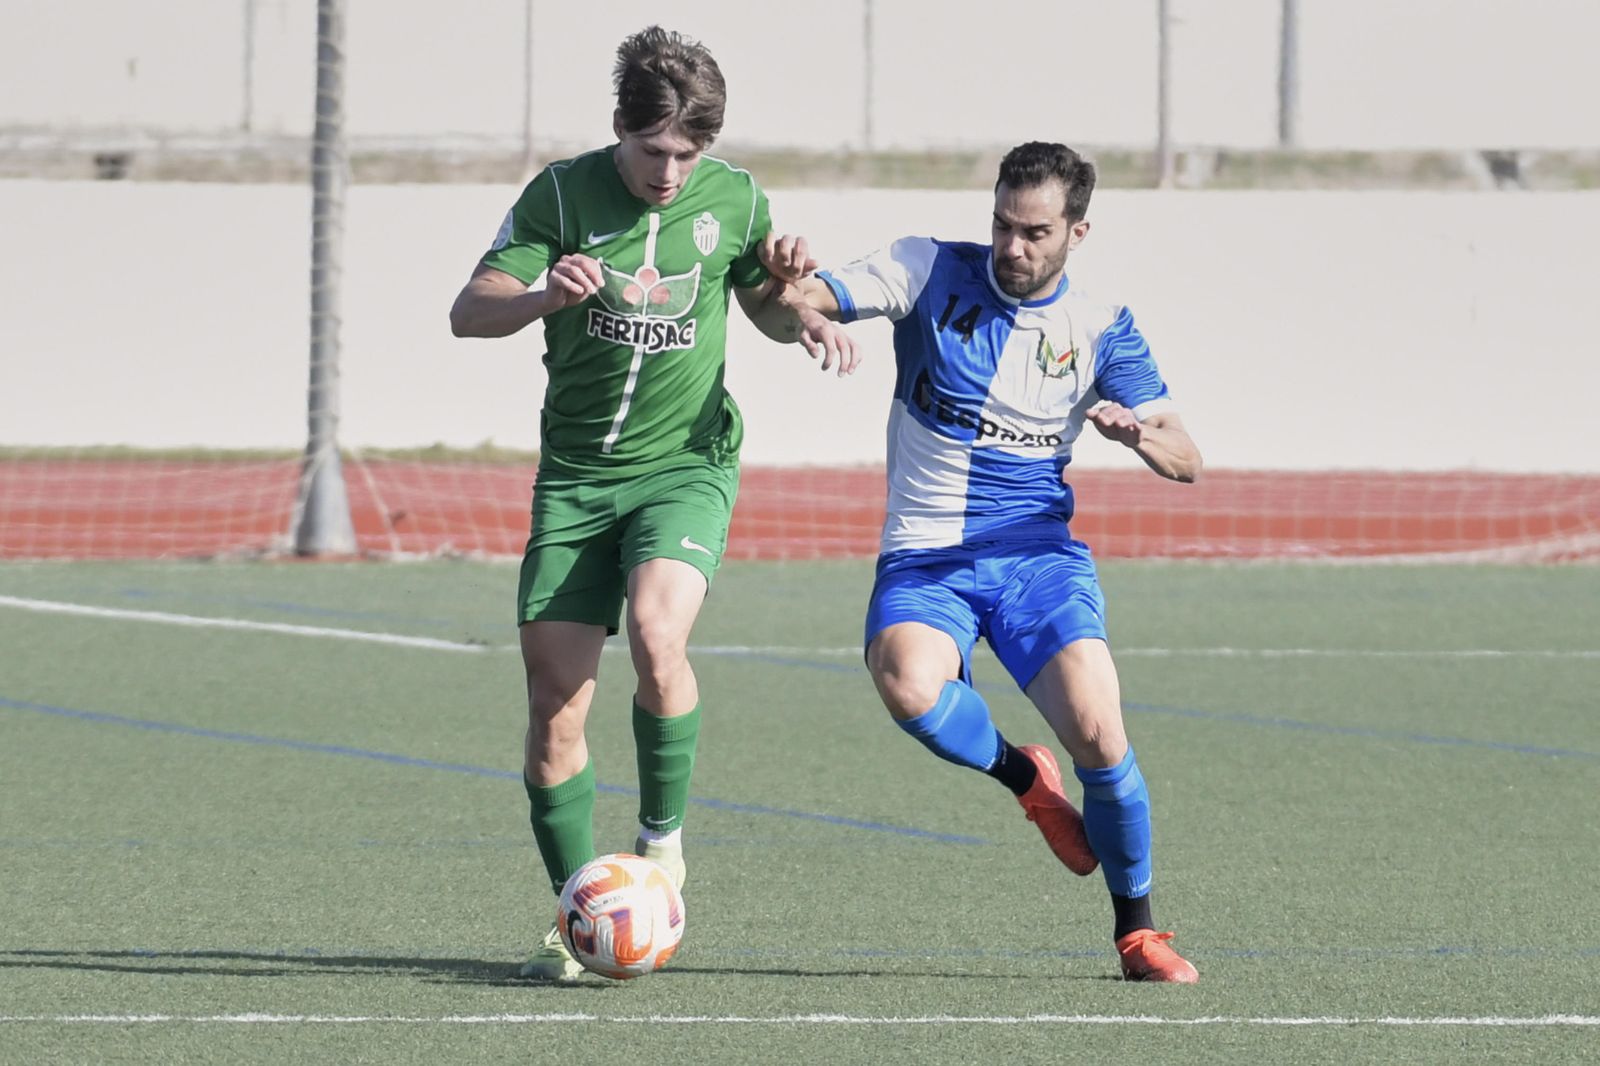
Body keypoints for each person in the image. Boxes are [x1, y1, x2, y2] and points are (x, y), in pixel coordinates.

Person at [449, 25, 857, 982]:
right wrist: (542, 295)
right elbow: (469, 312)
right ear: (619, 133)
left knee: (656, 634)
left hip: (687, 462)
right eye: (653, 151)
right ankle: (577, 910)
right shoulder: (559, 193)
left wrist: (794, 299)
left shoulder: (738, 197)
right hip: (579, 479)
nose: (671, 171)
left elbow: (759, 305)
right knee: (555, 704)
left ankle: (661, 843)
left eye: (688, 153)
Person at [769, 141, 1203, 982]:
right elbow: (801, 297)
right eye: (1002, 224)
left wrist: (1138, 435)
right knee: (906, 684)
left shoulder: (1103, 328)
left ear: (1078, 232)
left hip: (1036, 559)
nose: (1012, 246)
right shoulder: (924, 268)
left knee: (1102, 737)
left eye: (1034, 231)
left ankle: (1138, 932)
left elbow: (1188, 457)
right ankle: (1025, 780)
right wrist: (788, 280)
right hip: (926, 557)